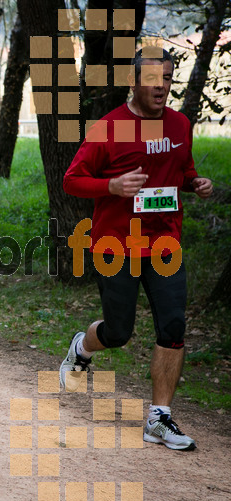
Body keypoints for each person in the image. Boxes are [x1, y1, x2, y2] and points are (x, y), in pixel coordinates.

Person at [60, 46, 213, 451]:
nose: (161, 86)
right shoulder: (111, 127)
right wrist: (110, 186)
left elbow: (182, 170)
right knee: (119, 331)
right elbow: (72, 180)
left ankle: (159, 418)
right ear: (134, 82)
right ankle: (82, 346)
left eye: (167, 78)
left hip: (164, 244)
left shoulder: (180, 124)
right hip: (115, 245)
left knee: (174, 327)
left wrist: (195, 183)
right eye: (152, 79)